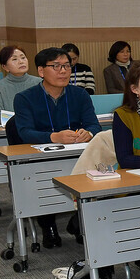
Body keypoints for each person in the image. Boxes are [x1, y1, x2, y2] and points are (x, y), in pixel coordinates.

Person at [14, 47, 101, 248]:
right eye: (56, 66)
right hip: (40, 158)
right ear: (41, 71)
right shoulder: (25, 98)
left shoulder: (79, 94)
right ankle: (47, 223)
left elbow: (94, 125)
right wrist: (53, 137)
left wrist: (88, 133)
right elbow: (24, 132)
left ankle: (79, 222)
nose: (63, 71)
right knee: (42, 183)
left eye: (67, 66)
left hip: (77, 156)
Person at [0, 46, 41, 124]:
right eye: (14, 59)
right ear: (5, 67)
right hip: (10, 133)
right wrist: (25, 117)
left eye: (23, 57)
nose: (21, 62)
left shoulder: (40, 83)